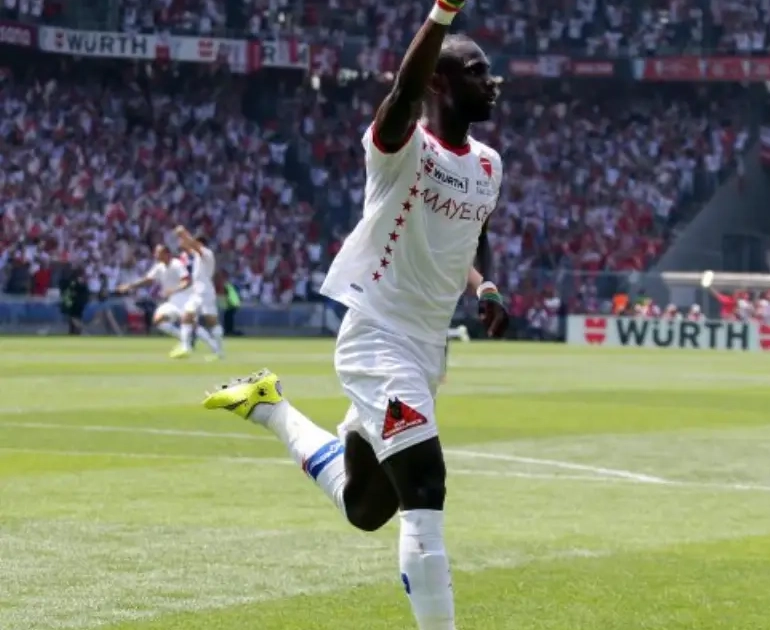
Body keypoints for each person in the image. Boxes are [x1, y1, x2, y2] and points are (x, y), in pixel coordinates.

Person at [201, 9, 507, 630]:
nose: (492, 81)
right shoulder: (401, 148)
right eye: (477, 71)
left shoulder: (488, 164)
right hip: (378, 341)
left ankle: (269, 406)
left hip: (427, 354)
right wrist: (443, 15)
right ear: (439, 82)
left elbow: (473, 233)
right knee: (426, 485)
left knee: (366, 507)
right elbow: (402, 92)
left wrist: (487, 285)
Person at [117, 245, 192, 346]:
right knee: (158, 321)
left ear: (166, 254)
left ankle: (194, 341)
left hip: (183, 298)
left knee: (190, 323)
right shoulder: (159, 267)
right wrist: (130, 286)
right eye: (155, 252)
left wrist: (174, 290)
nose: (155, 255)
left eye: (158, 253)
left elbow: (187, 281)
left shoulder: (176, 264)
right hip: (172, 300)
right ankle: (186, 339)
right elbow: (148, 280)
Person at [173, 227, 224, 360]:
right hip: (198, 292)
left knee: (212, 322)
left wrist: (183, 233)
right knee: (186, 316)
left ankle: (219, 352)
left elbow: (192, 245)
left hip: (205, 292)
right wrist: (182, 239)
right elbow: (188, 247)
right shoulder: (198, 255)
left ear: (200, 243)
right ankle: (185, 347)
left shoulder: (206, 253)